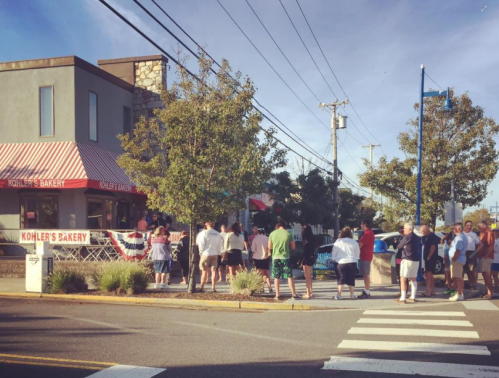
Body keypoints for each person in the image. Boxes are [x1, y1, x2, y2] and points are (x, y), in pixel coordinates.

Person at [268, 220, 298, 300]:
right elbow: (293, 247)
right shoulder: (288, 234)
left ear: (277, 226)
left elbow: (269, 247)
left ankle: (277, 294)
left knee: (276, 277)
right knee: (289, 276)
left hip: (275, 257)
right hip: (285, 257)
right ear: (285, 226)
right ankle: (293, 293)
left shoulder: (272, 234)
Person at [332, 227, 360, 300]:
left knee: (341, 279)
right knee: (351, 279)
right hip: (352, 262)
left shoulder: (338, 241)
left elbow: (334, 252)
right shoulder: (354, 242)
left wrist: (334, 259)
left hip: (341, 262)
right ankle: (352, 294)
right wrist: (355, 258)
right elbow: (357, 254)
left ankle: (339, 295)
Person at [396, 222, 420, 304]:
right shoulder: (417, 237)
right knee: (413, 278)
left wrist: (403, 246)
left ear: (409, 229)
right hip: (416, 259)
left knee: (403, 278)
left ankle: (403, 298)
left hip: (407, 259)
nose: (403, 230)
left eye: (405, 228)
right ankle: (413, 296)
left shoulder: (407, 237)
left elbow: (399, 246)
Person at [196, 221, 222, 293]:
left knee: (204, 271)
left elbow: (200, 244)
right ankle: (213, 288)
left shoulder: (203, 233)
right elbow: (220, 244)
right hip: (214, 253)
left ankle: (202, 287)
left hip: (206, 253)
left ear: (206, 224)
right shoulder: (217, 233)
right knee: (214, 271)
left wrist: (201, 253)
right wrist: (218, 252)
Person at [448, 222, 468, 301]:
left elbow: (458, 251)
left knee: (459, 278)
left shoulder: (459, 238)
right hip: (459, 259)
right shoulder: (461, 237)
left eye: (454, 228)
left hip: (457, 260)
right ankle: (459, 293)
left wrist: (453, 259)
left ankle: (459, 294)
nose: (453, 230)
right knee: (457, 277)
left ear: (458, 229)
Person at [476, 220, 495, 299]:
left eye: (479, 226)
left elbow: (490, 245)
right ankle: (487, 292)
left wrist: (486, 256)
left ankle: (490, 293)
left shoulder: (489, 233)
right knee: (484, 275)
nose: (478, 228)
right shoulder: (482, 233)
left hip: (486, 257)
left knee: (487, 275)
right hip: (482, 256)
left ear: (484, 225)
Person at [357, 219, 375, 299]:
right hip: (366, 255)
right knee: (365, 274)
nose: (361, 226)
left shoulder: (367, 234)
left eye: (361, 224)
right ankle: (366, 289)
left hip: (365, 256)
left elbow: (359, 245)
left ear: (364, 225)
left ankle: (367, 291)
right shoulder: (369, 233)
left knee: (366, 274)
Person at [421, 225, 440, 297]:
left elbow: (433, 247)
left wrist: (428, 257)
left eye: (423, 231)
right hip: (428, 258)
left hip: (431, 258)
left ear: (427, 230)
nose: (422, 232)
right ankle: (433, 290)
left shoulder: (432, 236)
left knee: (428, 274)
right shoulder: (426, 237)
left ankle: (428, 291)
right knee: (430, 274)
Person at [251, 228, 272, 293]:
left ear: (258, 232)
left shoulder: (255, 239)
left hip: (257, 258)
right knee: (266, 274)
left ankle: (261, 288)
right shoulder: (267, 238)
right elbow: (270, 248)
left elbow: (253, 250)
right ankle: (270, 287)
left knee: (260, 274)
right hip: (265, 257)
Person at [300, 224, 317, 299]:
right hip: (311, 258)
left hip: (306, 259)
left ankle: (308, 293)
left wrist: (300, 260)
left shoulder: (306, 241)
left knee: (307, 277)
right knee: (309, 276)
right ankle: (310, 291)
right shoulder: (312, 239)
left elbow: (305, 252)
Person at [463, 220, 480, 290]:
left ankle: (474, 283)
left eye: (470, 226)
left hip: (472, 253)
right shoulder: (462, 234)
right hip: (463, 253)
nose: (469, 227)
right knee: (466, 269)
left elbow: (479, 245)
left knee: (472, 269)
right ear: (465, 226)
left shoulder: (474, 234)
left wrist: (475, 253)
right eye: (468, 225)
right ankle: (470, 283)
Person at [492, 229, 499, 298]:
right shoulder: (492, 240)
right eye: (494, 232)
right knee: (494, 275)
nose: (495, 233)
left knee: (495, 275)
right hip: (493, 260)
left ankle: (496, 290)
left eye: (497, 232)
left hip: (497, 260)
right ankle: (495, 290)